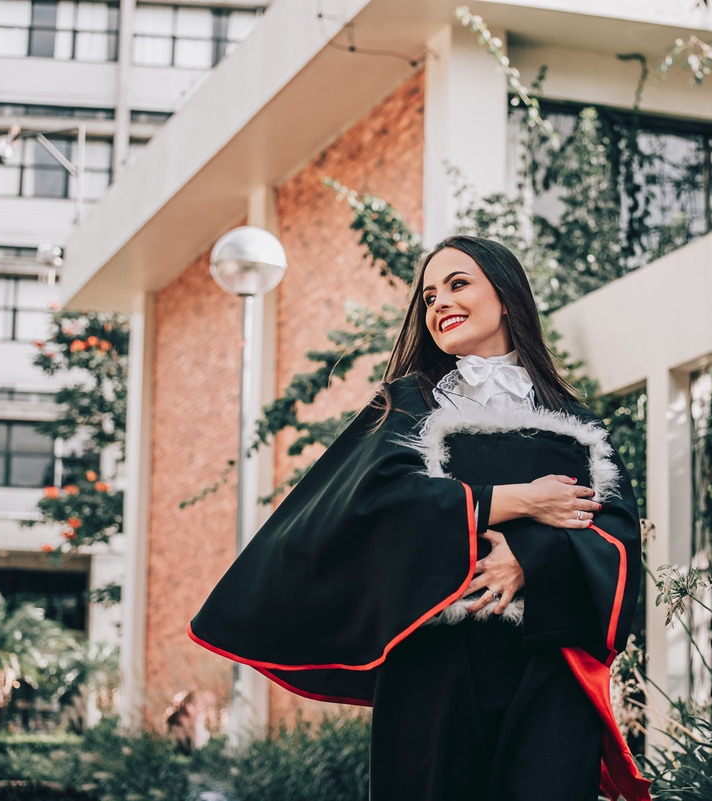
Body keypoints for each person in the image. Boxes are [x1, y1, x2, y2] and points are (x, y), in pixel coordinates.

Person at [190, 235, 649, 801]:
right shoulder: (407, 405)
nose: (439, 305)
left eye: (458, 285)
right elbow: (376, 508)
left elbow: (617, 540)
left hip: (546, 671)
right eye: (429, 296)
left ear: (507, 297)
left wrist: (527, 560)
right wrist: (520, 501)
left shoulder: (576, 425)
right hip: (434, 669)